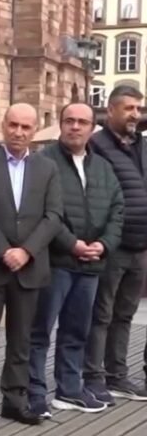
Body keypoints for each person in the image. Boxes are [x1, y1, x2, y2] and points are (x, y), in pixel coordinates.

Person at [0, 103, 63, 428]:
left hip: (30, 268)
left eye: (25, 127)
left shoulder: (47, 168)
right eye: (13, 125)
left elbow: (53, 216)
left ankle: (15, 399)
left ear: (35, 130)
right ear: (3, 126)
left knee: (22, 340)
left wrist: (27, 251)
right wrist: (4, 249)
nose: (18, 132)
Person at [29, 102, 123, 416]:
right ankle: (34, 392)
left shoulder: (103, 166)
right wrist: (72, 244)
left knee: (76, 331)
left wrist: (104, 245)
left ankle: (69, 390)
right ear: (60, 124)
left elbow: (117, 211)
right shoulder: (44, 162)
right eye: (69, 121)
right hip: (56, 262)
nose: (75, 127)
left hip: (91, 264)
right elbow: (42, 213)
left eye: (82, 122)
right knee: (40, 330)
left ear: (92, 127)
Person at [85, 85, 147, 401]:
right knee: (102, 314)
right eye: (129, 108)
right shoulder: (97, 145)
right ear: (110, 110)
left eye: (138, 108)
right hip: (112, 245)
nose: (135, 114)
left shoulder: (141, 145)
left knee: (125, 314)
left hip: (140, 246)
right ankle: (94, 376)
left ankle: (117, 375)